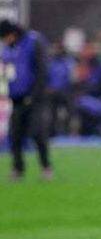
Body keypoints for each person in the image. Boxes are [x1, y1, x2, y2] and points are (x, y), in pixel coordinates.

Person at [1, 19, 53, 180]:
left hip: (34, 97)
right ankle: (18, 169)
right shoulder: (8, 48)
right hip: (16, 98)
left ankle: (46, 167)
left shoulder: (33, 41)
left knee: (37, 132)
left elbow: (42, 70)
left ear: (12, 34)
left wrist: (35, 94)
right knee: (15, 134)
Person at [45, 42, 75, 136]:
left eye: (59, 49)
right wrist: (48, 87)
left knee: (70, 111)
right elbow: (47, 76)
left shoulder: (69, 62)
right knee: (52, 113)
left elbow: (71, 77)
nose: (57, 51)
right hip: (52, 92)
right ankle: (52, 132)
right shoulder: (51, 62)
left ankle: (67, 131)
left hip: (65, 91)